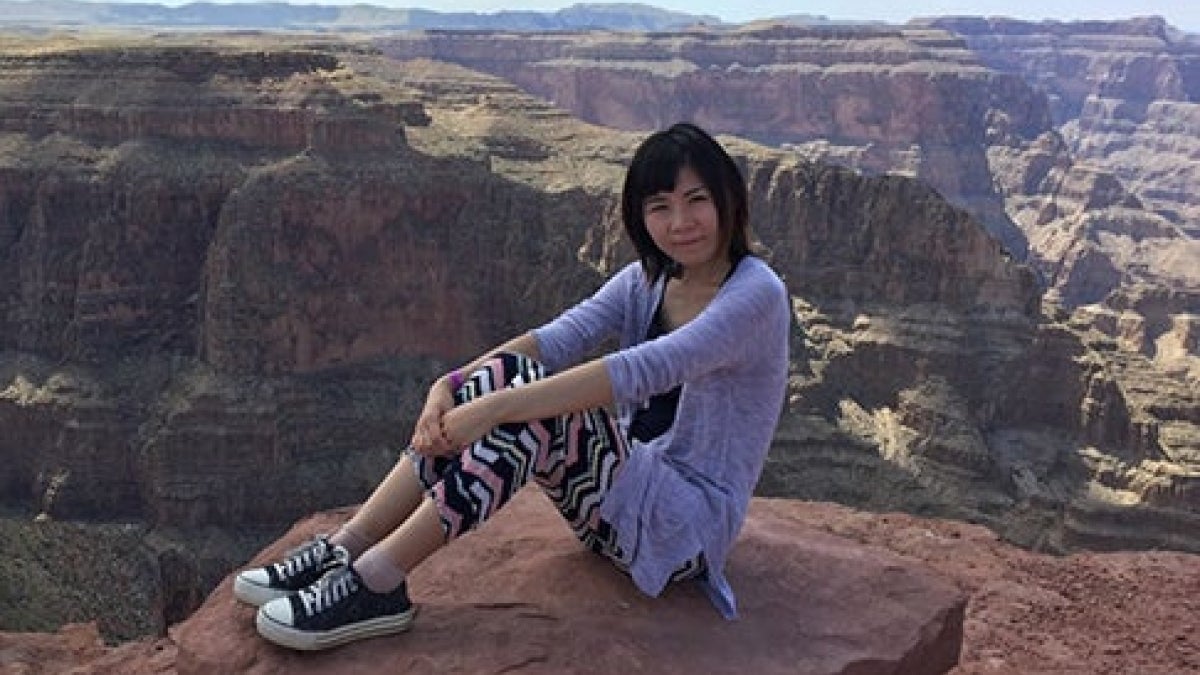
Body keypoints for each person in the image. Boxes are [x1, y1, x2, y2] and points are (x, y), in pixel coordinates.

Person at [233, 122, 791, 651]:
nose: (680, 222)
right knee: (510, 377)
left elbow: (648, 368)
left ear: (728, 198)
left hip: (683, 530)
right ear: (639, 217)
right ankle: (344, 549)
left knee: (532, 413)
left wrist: (493, 409)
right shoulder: (649, 278)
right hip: (621, 502)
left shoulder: (756, 294)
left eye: (697, 199)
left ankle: (377, 584)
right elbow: (551, 341)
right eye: (660, 207)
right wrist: (451, 387)